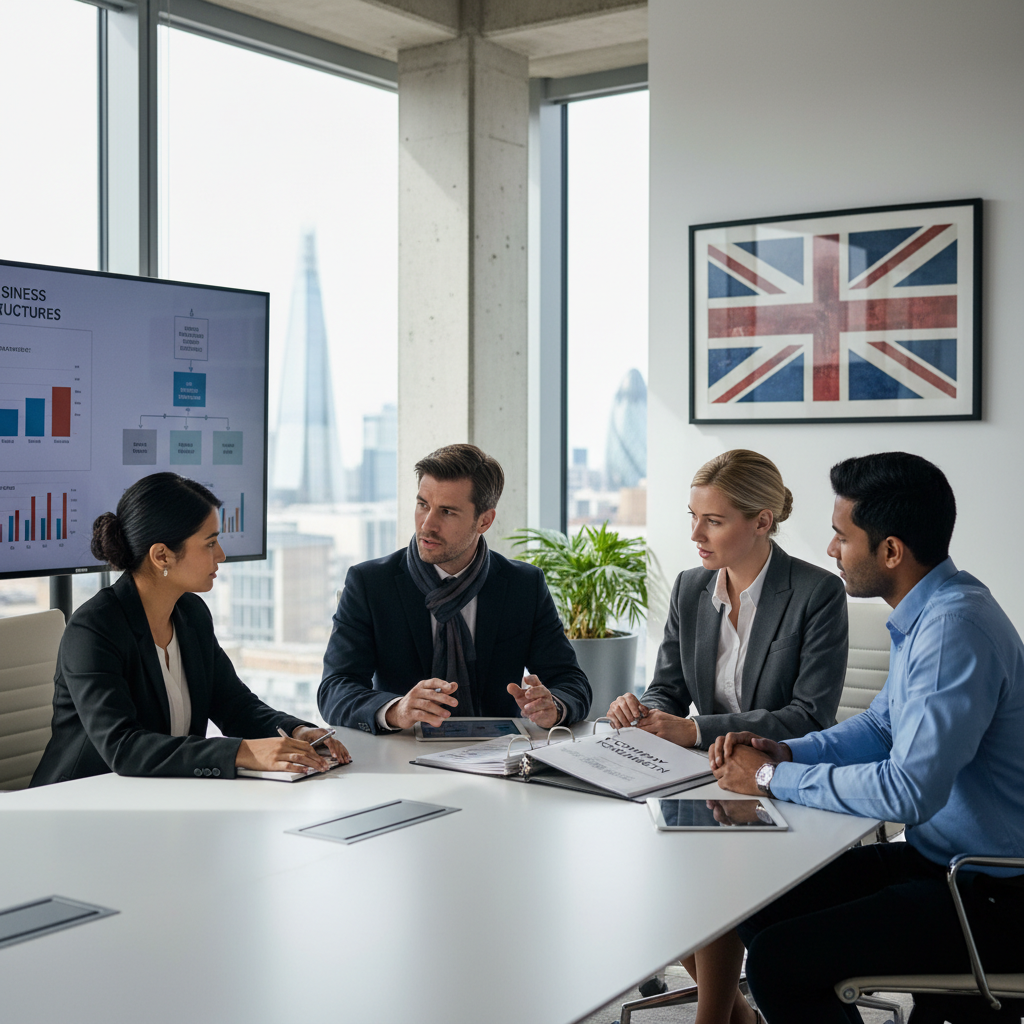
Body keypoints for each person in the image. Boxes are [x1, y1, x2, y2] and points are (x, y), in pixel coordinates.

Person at [711, 453, 1024, 1024]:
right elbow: (882, 725)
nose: (831, 550)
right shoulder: (931, 610)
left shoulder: (953, 630)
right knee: (756, 898)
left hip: (992, 894)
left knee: (779, 961)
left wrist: (767, 777)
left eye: (840, 535)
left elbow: (908, 792)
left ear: (891, 551)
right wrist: (788, 750)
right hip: (941, 861)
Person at [605, 449, 848, 1024]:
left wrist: (696, 728)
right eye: (693, 516)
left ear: (761, 521)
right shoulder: (692, 588)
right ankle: (735, 1014)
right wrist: (641, 709)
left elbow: (810, 715)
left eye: (712, 521)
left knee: (714, 867)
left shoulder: (816, 593)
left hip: (775, 777)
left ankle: (714, 1017)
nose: (695, 533)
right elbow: (666, 687)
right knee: (631, 862)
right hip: (699, 776)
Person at [31, 473, 350, 786]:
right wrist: (243, 752)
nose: (221, 555)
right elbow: (124, 747)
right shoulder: (95, 628)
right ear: (162, 555)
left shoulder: (191, 613)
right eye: (210, 543)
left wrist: (296, 732)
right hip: (80, 803)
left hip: (164, 797)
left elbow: (233, 704)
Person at [318, 443, 591, 733]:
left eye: (446, 512)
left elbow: (572, 683)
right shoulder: (370, 583)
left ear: (484, 520)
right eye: (423, 504)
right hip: (400, 755)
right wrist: (397, 710)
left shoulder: (524, 586)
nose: (427, 524)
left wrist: (554, 706)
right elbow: (335, 689)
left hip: (499, 756)